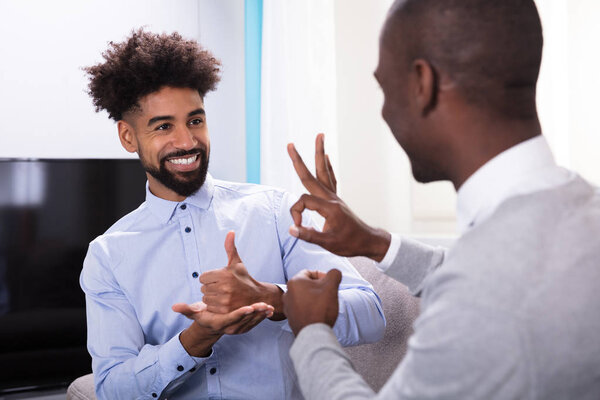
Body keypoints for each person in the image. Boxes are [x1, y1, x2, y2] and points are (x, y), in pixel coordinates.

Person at [281, 0, 600, 399]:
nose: (384, 111)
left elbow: (490, 289)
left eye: (385, 88)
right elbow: (498, 276)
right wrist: (376, 244)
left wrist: (312, 332)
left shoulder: (486, 293)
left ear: (422, 84)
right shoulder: (577, 210)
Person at [80, 29, 385, 400]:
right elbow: (112, 388)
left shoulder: (275, 212)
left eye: (195, 120)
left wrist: (274, 299)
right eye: (163, 126)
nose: (187, 141)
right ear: (128, 137)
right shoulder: (108, 256)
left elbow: (372, 315)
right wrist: (193, 341)